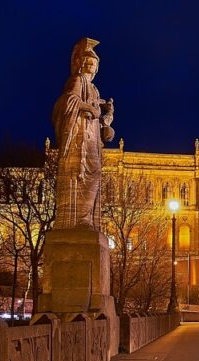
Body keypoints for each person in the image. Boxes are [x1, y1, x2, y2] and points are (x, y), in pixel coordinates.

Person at [52, 38, 114, 230]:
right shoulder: (78, 80)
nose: (92, 66)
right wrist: (89, 108)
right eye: (89, 62)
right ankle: (79, 219)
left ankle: (85, 217)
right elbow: (68, 100)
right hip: (79, 136)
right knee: (81, 175)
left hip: (92, 137)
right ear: (82, 63)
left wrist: (107, 119)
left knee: (94, 175)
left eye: (94, 63)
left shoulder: (94, 89)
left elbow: (99, 120)